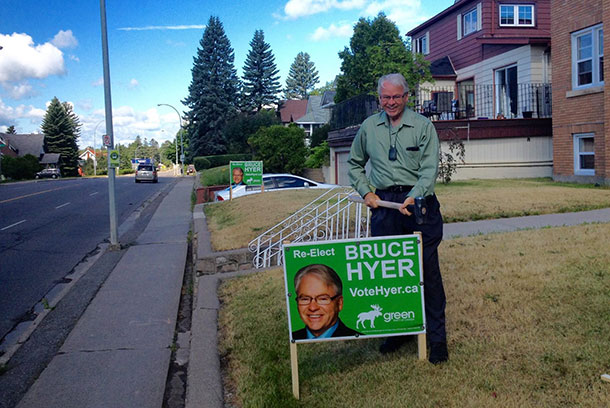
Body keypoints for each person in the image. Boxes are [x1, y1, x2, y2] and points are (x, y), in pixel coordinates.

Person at [347, 73, 448, 364]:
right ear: (379, 98)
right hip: (384, 207)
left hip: (418, 205)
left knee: (427, 273)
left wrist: (414, 196)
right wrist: (366, 192)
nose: (390, 102)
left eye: (396, 97)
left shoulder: (423, 126)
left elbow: (429, 170)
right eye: (385, 97)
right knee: (388, 274)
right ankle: (397, 331)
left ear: (406, 97)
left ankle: (437, 340)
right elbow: (354, 164)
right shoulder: (368, 128)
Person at [291, 264, 361, 340]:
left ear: (339, 303)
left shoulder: (360, 341)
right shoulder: (288, 340)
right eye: (305, 299)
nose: (313, 308)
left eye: (323, 299)